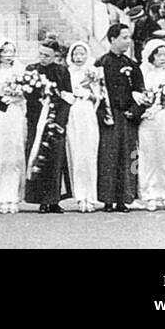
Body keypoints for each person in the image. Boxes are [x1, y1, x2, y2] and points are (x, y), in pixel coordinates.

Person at [96, 24, 146, 212]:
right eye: (124, 37)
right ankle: (107, 199)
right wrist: (103, 114)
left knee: (129, 157)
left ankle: (125, 198)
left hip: (127, 118)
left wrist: (134, 111)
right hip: (109, 118)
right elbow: (97, 92)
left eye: (129, 37)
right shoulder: (101, 64)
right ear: (112, 39)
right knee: (108, 157)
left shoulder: (132, 65)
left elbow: (141, 91)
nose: (128, 41)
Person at [24, 40, 72, 214]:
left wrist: (60, 121)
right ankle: (41, 200)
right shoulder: (31, 70)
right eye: (41, 54)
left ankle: (54, 200)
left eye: (47, 55)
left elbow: (68, 97)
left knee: (55, 160)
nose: (43, 58)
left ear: (55, 56)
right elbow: (26, 94)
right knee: (39, 156)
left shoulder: (62, 71)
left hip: (55, 119)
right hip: (37, 118)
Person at [138, 39, 165, 212]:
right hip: (148, 117)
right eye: (158, 55)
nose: (162, 58)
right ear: (151, 56)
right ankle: (150, 195)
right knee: (149, 155)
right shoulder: (144, 73)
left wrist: (163, 104)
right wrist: (147, 103)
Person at [0, 41, 26, 213]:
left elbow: (27, 92)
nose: (8, 55)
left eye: (11, 51)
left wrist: (16, 97)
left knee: (14, 154)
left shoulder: (21, 70)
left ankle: (13, 197)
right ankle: (2, 197)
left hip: (14, 112)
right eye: (4, 51)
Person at [64, 40, 101, 213]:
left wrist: (88, 95)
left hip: (87, 112)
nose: (79, 57)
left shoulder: (93, 72)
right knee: (76, 153)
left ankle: (90, 196)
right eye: (76, 54)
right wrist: (69, 96)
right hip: (73, 113)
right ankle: (79, 196)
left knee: (89, 154)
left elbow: (99, 96)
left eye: (82, 54)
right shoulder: (66, 72)